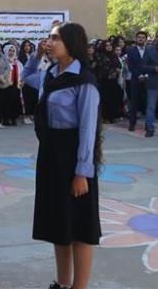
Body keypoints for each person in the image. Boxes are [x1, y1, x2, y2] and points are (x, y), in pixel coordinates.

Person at [23, 22, 101, 289]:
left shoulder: (84, 80)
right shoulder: (51, 73)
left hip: (73, 154)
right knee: (59, 222)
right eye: (49, 38)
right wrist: (36, 56)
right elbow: (26, 77)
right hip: (51, 153)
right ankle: (62, 283)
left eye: (55, 38)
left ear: (71, 43)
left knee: (80, 226)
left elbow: (88, 128)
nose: (50, 42)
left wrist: (82, 171)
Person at [125, 31, 148, 131]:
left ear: (145, 39)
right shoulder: (130, 50)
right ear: (136, 38)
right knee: (134, 102)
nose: (141, 39)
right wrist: (139, 75)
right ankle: (132, 124)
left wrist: (146, 75)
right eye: (139, 37)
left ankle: (149, 124)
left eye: (143, 37)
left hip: (148, 79)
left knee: (148, 102)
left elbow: (151, 63)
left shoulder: (150, 50)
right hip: (135, 79)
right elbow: (130, 66)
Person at [0, 46, 12, 128]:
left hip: (3, 82)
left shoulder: (4, 57)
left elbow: (8, 68)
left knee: (0, 103)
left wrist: (2, 77)